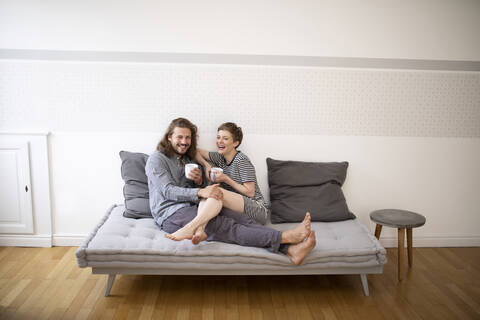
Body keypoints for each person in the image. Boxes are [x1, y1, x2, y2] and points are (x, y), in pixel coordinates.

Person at [145, 117, 316, 265]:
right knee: (226, 226)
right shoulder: (156, 160)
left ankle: (290, 251)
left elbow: (197, 187)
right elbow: (168, 191)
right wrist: (200, 191)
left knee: (242, 219)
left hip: (194, 207)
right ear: (169, 137)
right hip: (170, 213)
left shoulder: (187, 159)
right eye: (179, 137)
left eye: (187, 138)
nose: (184, 141)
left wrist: (198, 181)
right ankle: (285, 238)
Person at [194, 122, 269, 225]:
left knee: (216, 190)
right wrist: (206, 165)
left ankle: (191, 226)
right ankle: (199, 230)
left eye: (225, 138)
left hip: (258, 209)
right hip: (237, 206)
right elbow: (194, 151)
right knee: (208, 193)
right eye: (218, 137)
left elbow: (250, 192)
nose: (220, 141)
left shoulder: (241, 160)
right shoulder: (220, 157)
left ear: (235, 143)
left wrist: (226, 179)